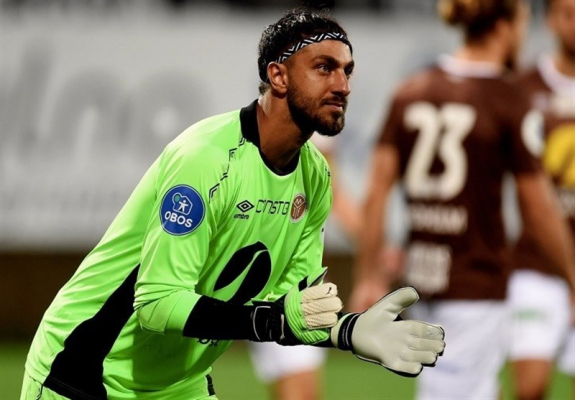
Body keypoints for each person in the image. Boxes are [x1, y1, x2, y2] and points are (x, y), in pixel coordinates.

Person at [21, 8, 446, 400]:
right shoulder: (205, 159)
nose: (343, 86)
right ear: (278, 76)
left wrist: (347, 331)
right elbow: (156, 304)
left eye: (347, 71)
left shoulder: (316, 176)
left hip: (178, 383)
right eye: (324, 68)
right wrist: (273, 320)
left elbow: (294, 307)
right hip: (84, 370)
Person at [349, 0, 575, 399]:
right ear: (506, 27)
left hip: (425, 278)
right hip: (477, 283)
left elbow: (377, 190)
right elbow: (538, 207)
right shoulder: (507, 98)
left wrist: (369, 275)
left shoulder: (409, 92)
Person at [507, 0, 575, 399]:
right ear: (550, 19)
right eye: (568, 14)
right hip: (536, 266)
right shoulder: (525, 88)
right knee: (530, 389)